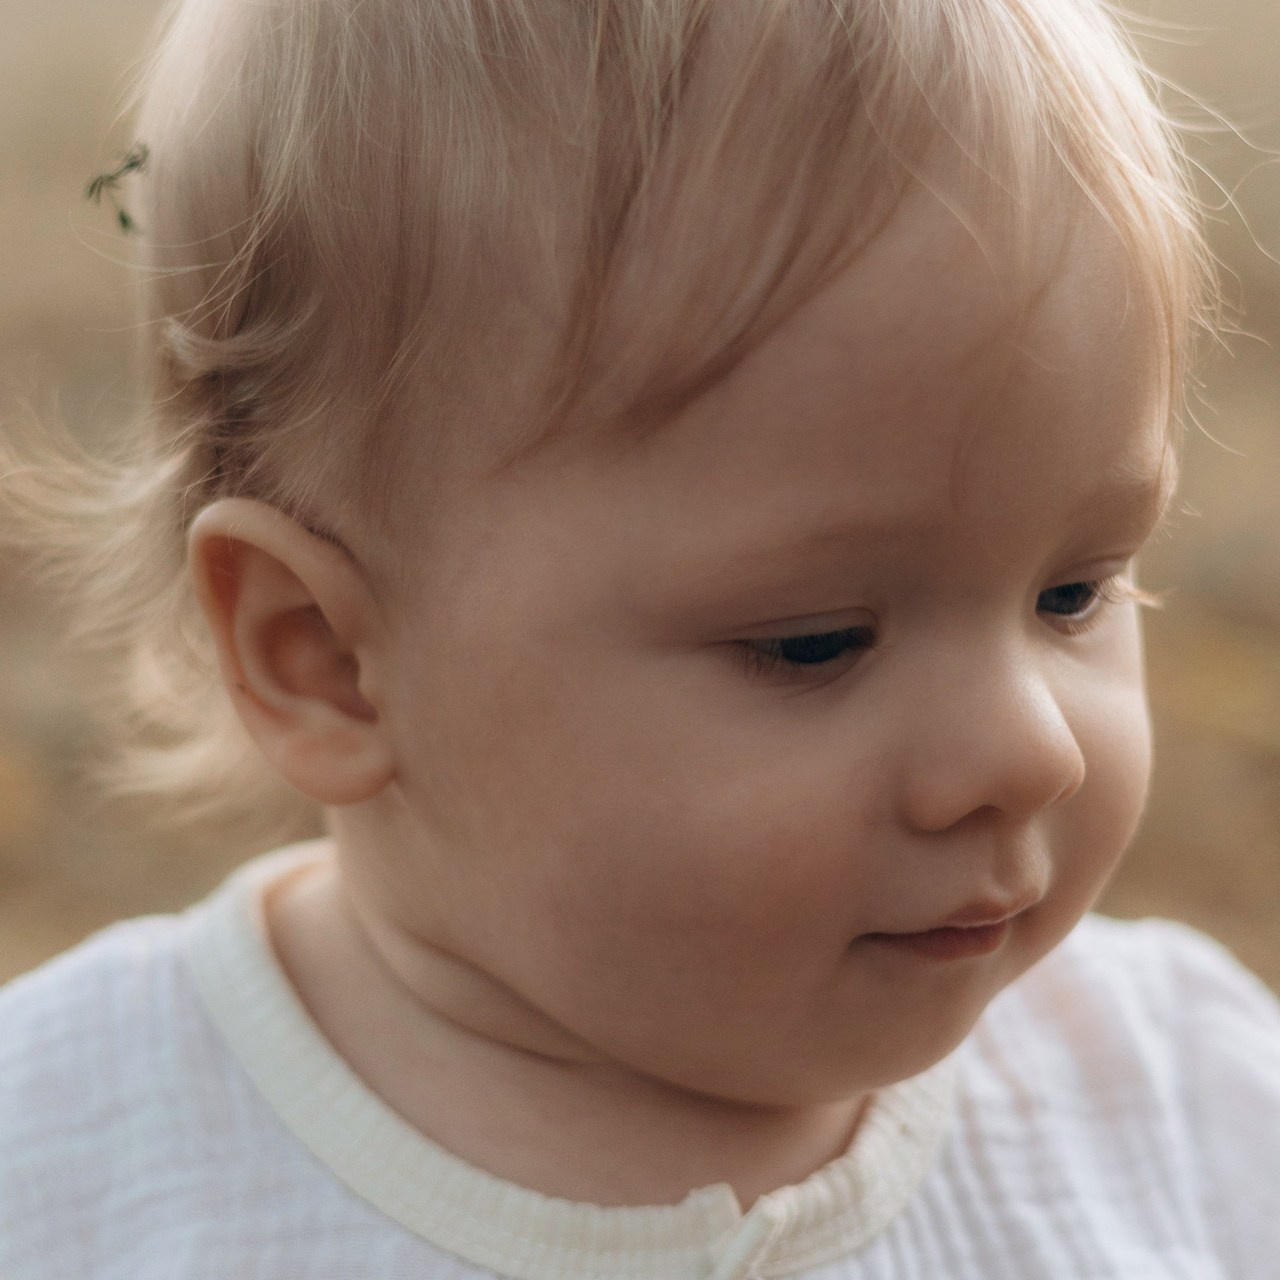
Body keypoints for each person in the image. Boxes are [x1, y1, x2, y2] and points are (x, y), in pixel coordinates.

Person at [2, 0, 1278, 1275]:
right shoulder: (71, 1166)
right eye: (817, 641)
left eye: (1074, 592)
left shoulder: (1186, 1104)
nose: (1030, 749)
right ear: (326, 661)